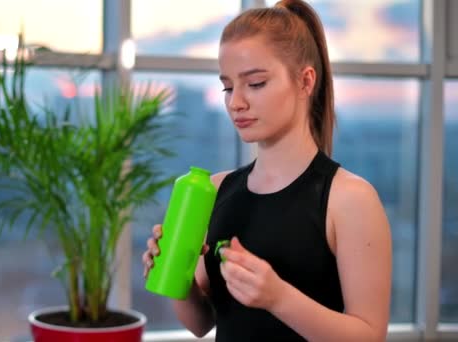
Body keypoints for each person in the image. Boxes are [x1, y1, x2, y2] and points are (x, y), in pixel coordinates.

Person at [142, 0, 392, 341]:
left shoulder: (350, 199)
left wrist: (278, 297)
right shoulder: (214, 190)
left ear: (305, 82)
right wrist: (176, 279)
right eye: (228, 87)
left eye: (255, 83)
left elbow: (369, 336)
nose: (235, 102)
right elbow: (202, 324)